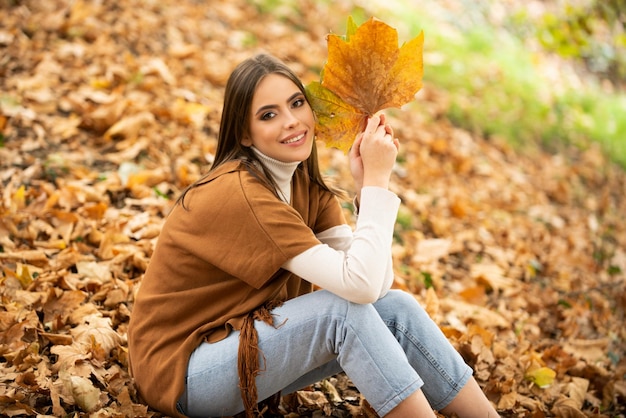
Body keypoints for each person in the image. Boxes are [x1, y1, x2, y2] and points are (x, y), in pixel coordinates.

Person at [127, 53, 500, 418]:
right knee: (340, 313)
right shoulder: (241, 194)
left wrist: (364, 189)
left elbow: (376, 286)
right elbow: (360, 288)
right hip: (182, 372)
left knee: (396, 309)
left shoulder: (305, 187)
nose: (291, 121)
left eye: (297, 103)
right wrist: (377, 182)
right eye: (269, 114)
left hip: (236, 347)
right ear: (243, 132)